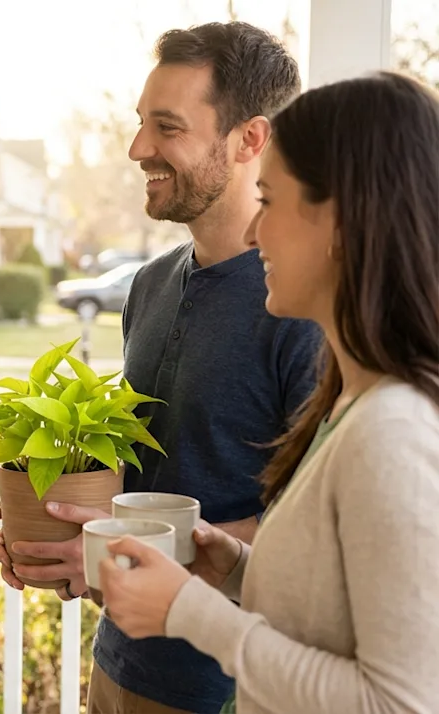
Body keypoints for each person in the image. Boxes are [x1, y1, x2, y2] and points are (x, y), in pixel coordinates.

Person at [0, 22, 322, 714]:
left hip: (228, 687)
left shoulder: (303, 308)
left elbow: (312, 535)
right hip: (117, 665)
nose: (138, 149)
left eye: (166, 128)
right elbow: (146, 482)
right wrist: (62, 526)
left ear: (249, 140)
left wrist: (117, 549)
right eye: (140, 124)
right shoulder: (149, 285)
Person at [97, 70, 439, 714]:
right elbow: (331, 612)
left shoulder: (394, 431)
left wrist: (189, 611)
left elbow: (399, 702)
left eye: (272, 200)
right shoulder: (354, 404)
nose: (255, 234)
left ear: (341, 222)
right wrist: (230, 567)